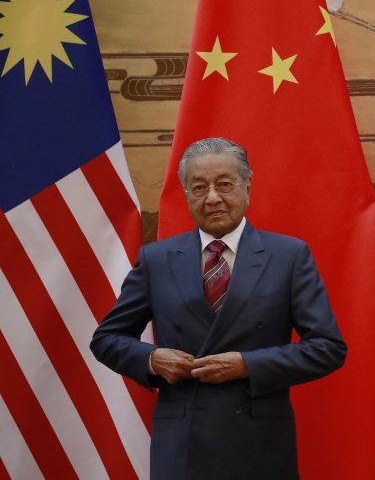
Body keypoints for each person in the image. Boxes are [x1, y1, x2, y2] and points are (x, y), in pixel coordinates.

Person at [91, 137, 346, 479]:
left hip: (259, 444)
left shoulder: (289, 256)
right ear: (186, 193)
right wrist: (152, 359)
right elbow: (107, 338)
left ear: (247, 186)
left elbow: (328, 348)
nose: (212, 197)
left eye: (224, 184)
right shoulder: (157, 260)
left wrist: (247, 365)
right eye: (199, 187)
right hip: (182, 445)